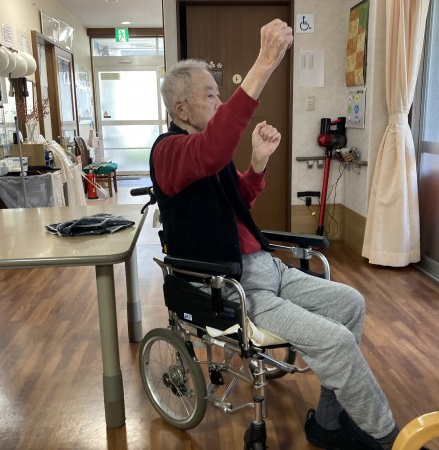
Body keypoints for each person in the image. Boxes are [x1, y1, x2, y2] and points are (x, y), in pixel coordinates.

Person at [149, 19, 413, 450]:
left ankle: (328, 421)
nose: (219, 101)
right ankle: (388, 439)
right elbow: (212, 147)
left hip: (268, 268)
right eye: (210, 95)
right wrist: (265, 62)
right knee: (336, 341)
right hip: (234, 286)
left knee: (351, 303)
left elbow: (240, 201)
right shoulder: (169, 152)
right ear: (181, 109)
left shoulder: (210, 158)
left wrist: (257, 162)